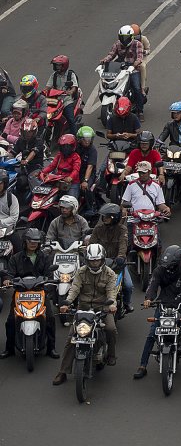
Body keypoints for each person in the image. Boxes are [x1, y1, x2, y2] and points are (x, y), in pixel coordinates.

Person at [52, 243, 118, 383]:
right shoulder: (81, 272)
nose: (94, 263)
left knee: (111, 329)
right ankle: (63, 371)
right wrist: (67, 303)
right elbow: (74, 289)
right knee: (71, 337)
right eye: (91, 260)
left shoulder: (110, 274)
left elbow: (111, 292)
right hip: (84, 308)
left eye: (97, 260)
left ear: (102, 259)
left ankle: (111, 355)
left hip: (103, 308)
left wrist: (112, 304)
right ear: (87, 260)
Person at [133, 245, 181, 377]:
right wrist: (149, 298)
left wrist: (174, 304)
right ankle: (142, 365)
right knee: (152, 333)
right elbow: (153, 285)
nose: (167, 267)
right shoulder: (159, 270)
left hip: (180, 304)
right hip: (162, 304)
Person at [1, 227, 57, 358]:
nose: (33, 244)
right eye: (30, 241)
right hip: (20, 292)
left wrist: (47, 286)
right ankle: (9, 349)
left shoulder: (44, 257)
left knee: (50, 318)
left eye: (36, 241)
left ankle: (51, 348)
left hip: (39, 292)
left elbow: (50, 275)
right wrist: (7, 280)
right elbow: (9, 273)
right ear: (25, 242)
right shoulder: (16, 258)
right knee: (10, 320)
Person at [90, 203, 133, 314]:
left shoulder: (122, 229)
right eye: (104, 216)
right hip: (99, 263)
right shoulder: (98, 229)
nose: (105, 219)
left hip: (117, 264)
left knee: (128, 285)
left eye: (108, 217)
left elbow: (123, 244)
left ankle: (127, 304)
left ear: (115, 217)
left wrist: (121, 257)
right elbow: (91, 244)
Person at [99, 26, 146, 114]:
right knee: (108, 84)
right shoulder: (117, 44)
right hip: (119, 68)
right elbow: (111, 54)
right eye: (122, 37)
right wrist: (105, 60)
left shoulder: (137, 44)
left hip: (132, 69)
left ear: (131, 37)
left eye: (126, 37)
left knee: (136, 88)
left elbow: (140, 57)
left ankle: (140, 111)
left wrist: (135, 63)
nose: (124, 40)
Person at [39, 132, 82, 199]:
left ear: (72, 146)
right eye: (63, 147)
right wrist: (42, 172)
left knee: (70, 201)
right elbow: (52, 166)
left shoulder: (76, 157)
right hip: (58, 180)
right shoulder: (59, 155)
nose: (65, 149)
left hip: (71, 183)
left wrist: (70, 177)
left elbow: (76, 170)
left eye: (67, 147)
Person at [45, 55, 80, 134]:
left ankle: (75, 137)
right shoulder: (54, 75)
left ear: (64, 65)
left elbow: (74, 86)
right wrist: (43, 92)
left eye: (59, 65)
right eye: (56, 65)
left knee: (70, 119)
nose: (57, 67)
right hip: (55, 101)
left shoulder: (71, 75)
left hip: (66, 101)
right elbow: (48, 87)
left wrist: (70, 91)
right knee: (47, 116)